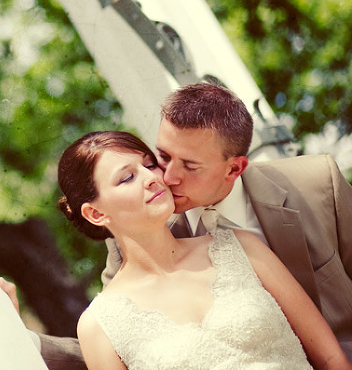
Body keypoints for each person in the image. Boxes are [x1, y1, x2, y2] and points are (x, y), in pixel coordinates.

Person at [18, 82, 352, 368]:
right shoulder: (112, 287)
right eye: (162, 157)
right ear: (95, 214)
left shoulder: (308, 191)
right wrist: (17, 334)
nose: (163, 177)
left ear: (234, 169)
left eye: (188, 165)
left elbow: (330, 357)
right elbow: (112, 345)